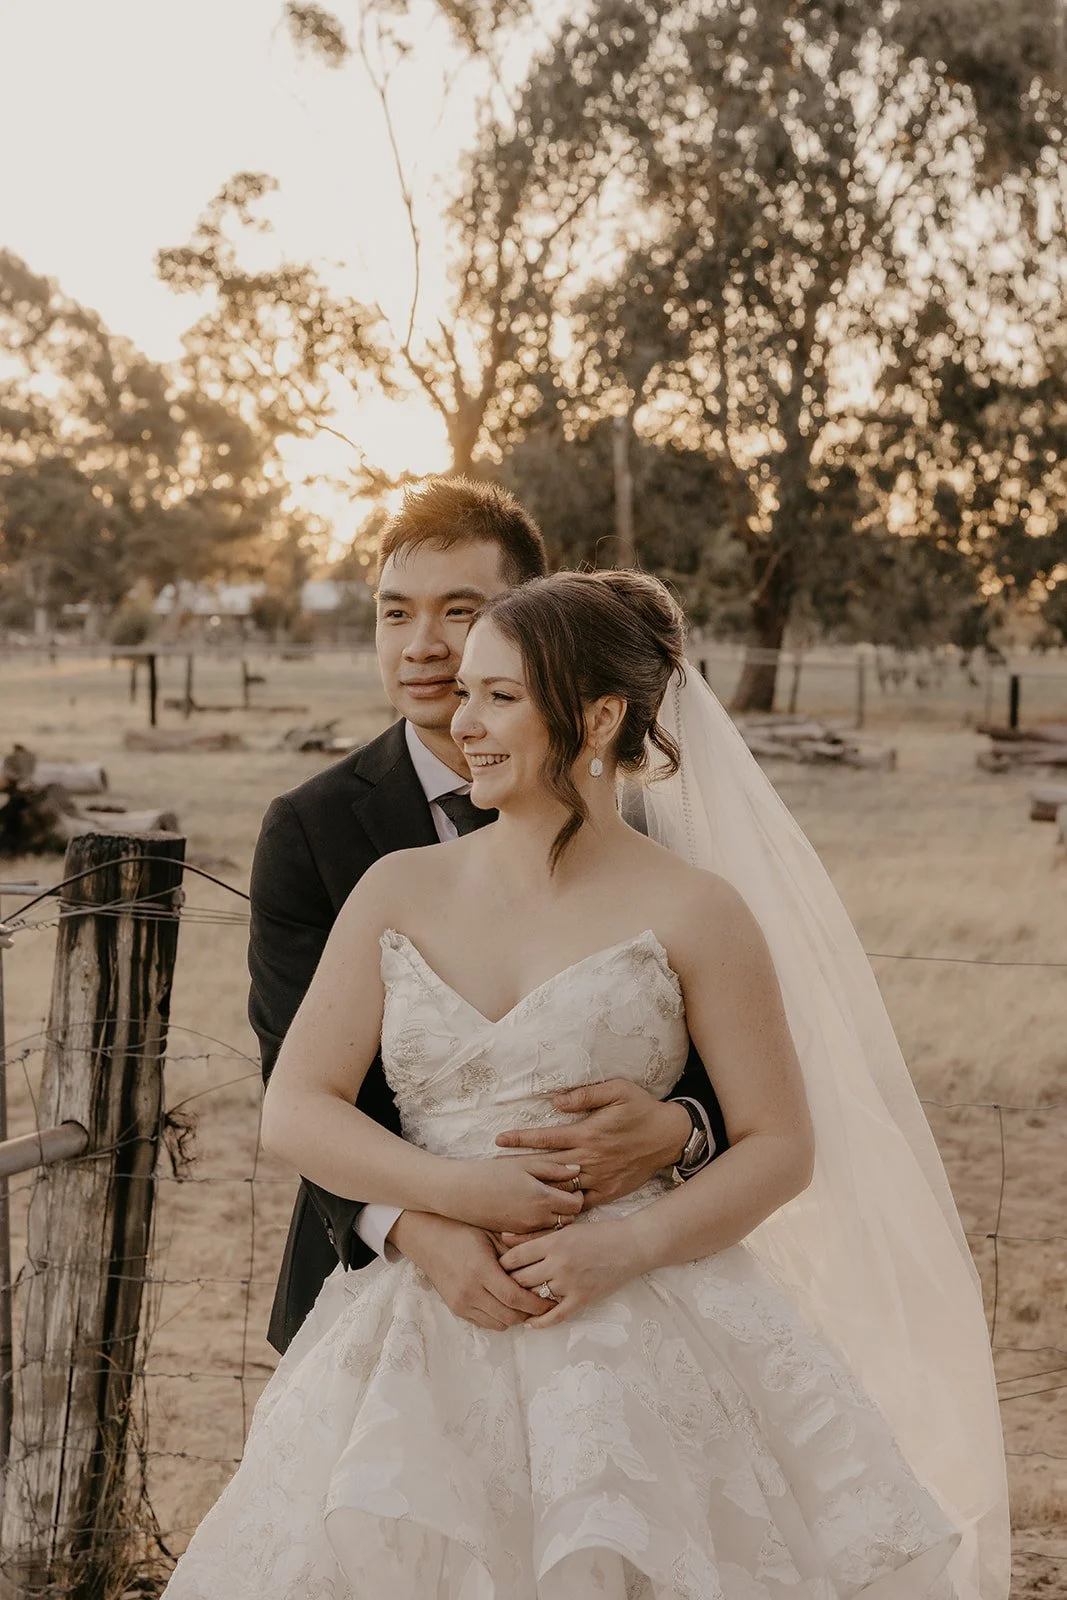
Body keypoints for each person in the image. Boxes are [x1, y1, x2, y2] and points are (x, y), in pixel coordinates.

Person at [164, 570, 1007, 1599]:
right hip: (421, 1317)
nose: (462, 721)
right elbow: (294, 1107)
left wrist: (623, 1247)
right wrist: (460, 1198)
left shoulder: (697, 910)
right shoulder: (397, 888)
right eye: (464, 692)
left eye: (499, 696)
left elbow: (779, 1143)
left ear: (599, 714)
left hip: (639, 1314)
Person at [249, 475, 725, 1352]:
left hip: (627, 1291)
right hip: (384, 1281)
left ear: (536, 619)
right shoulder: (313, 831)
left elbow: (750, 1074)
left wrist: (678, 1131)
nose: (423, 648)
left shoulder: (665, 834)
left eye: (458, 611)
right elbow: (303, 1083)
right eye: (395, 614)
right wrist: (425, 1229)